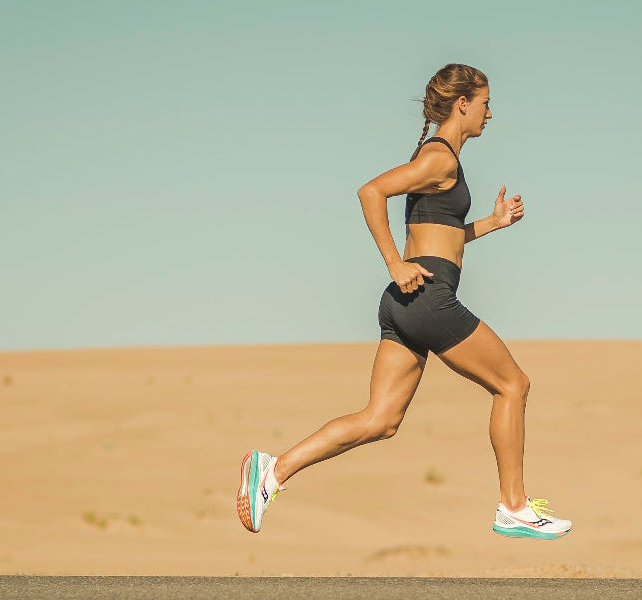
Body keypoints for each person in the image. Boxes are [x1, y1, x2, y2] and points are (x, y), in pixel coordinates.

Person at [238, 63, 571, 540]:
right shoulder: (441, 160)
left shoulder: (437, 158)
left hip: (404, 303)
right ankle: (513, 507)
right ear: (463, 104)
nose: (490, 114)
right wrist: (394, 261)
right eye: (485, 103)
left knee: (381, 420)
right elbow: (371, 191)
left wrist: (492, 224)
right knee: (513, 385)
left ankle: (272, 472)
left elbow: (442, 238)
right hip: (428, 297)